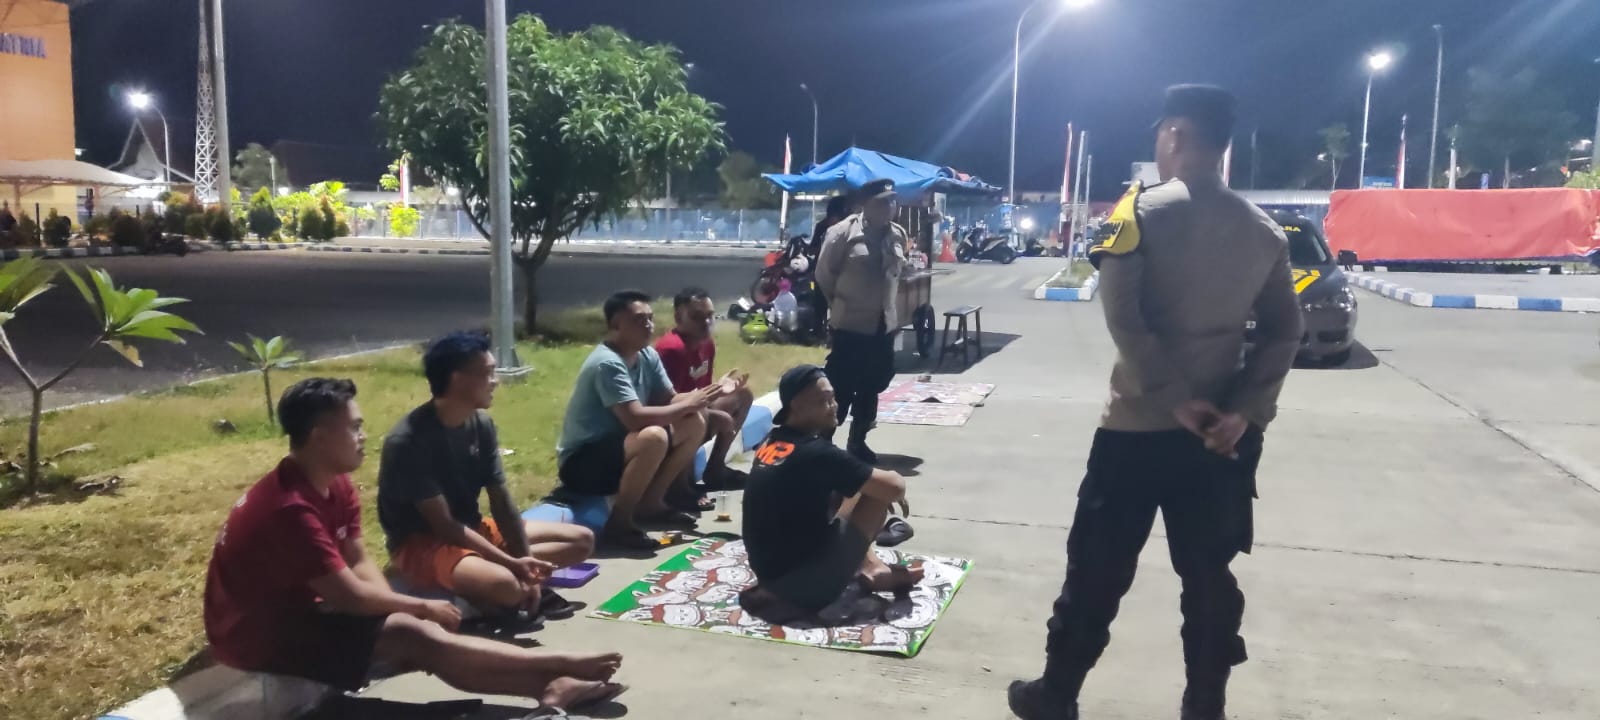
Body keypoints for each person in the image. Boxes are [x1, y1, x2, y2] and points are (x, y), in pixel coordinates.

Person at [1008, 85, 1304, 720]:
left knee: (1097, 570)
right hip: (1220, 438)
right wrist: (1244, 410)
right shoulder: (1263, 230)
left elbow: (1125, 317)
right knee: (1208, 576)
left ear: (1175, 134)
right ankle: (1205, 706)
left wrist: (1172, 399)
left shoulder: (1139, 211)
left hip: (1136, 430)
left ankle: (1057, 695)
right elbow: (1286, 331)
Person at [204, 378, 626, 711]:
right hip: (257, 639)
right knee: (413, 632)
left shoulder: (335, 483)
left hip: (299, 614)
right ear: (318, 436)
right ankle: (558, 666)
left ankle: (552, 685)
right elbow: (349, 596)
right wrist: (418, 608)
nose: (364, 435)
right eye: (354, 427)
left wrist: (393, 610)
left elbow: (357, 557)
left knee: (414, 634)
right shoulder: (291, 509)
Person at [377, 332, 594, 619]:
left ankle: (493, 587)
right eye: (488, 373)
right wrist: (514, 566)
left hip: (472, 528)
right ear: (457, 379)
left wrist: (524, 563)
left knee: (582, 541)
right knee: (506, 586)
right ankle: (485, 591)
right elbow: (444, 526)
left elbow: (501, 502)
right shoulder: (408, 440)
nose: (496, 381)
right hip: (422, 543)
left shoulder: (481, 424)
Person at [739, 364, 922, 621]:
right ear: (796, 406)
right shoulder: (816, 452)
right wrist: (887, 489)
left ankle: (871, 565)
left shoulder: (773, 440)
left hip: (771, 576)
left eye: (833, 397)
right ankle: (872, 571)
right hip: (807, 589)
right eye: (822, 401)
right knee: (875, 492)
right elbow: (894, 486)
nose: (833, 405)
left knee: (857, 486)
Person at [556, 290, 718, 548]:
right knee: (653, 437)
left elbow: (669, 398)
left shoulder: (646, 355)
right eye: (639, 320)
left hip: (621, 447)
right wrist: (690, 403)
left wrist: (709, 394)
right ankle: (619, 525)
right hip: (583, 462)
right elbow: (634, 419)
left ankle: (650, 504)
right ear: (616, 325)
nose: (649, 325)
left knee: (693, 421)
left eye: (650, 318)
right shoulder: (607, 363)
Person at [816, 179, 912, 463]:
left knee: (874, 384)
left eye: (892, 201)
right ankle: (824, 443)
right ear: (864, 205)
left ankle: (857, 441)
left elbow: (897, 271)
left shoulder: (897, 234)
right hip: (850, 325)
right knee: (841, 386)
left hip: (883, 325)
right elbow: (824, 274)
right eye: (882, 202)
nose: (889, 207)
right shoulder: (842, 233)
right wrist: (840, 304)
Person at [654, 286, 755, 490]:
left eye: (709, 316)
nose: (706, 322)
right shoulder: (671, 350)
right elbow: (669, 404)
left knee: (743, 395)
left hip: (697, 408)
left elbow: (702, 390)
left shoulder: (706, 343)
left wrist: (719, 389)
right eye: (697, 317)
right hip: (673, 420)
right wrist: (715, 415)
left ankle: (716, 468)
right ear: (678, 317)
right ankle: (682, 486)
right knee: (698, 417)